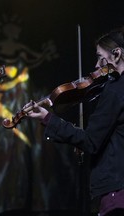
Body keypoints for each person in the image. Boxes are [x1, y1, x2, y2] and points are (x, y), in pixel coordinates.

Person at [24, 27, 124, 216]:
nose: (96, 65)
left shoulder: (114, 91)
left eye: (100, 57)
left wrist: (48, 118)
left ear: (116, 54)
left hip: (117, 193)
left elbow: (90, 142)